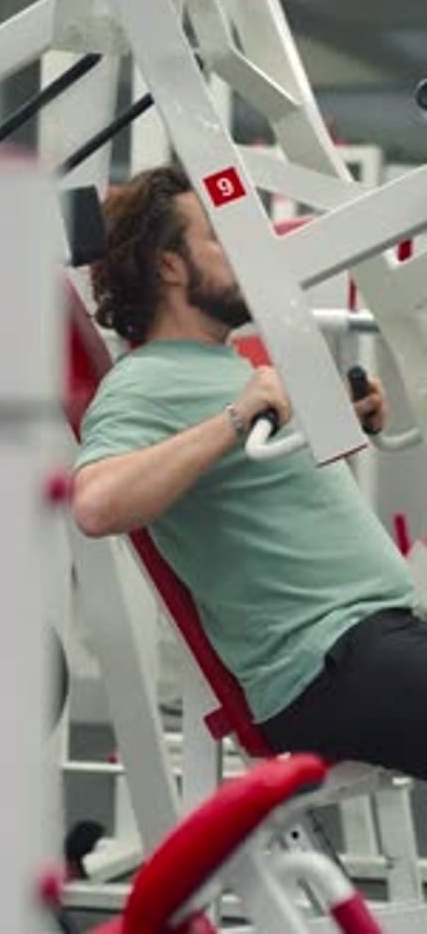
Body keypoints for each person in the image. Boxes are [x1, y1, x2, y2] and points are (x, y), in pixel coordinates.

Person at [71, 164, 427, 780]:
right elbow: (97, 504)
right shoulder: (142, 381)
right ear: (170, 266)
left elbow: (256, 471)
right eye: (220, 237)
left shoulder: (226, 364)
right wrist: (236, 417)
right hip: (326, 663)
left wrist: (344, 415)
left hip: (376, 636)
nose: (247, 252)